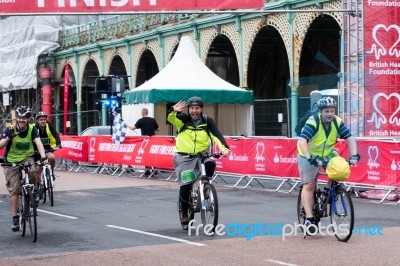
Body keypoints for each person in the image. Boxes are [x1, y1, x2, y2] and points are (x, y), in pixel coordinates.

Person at [297, 96, 360, 233]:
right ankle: (309, 218)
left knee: (340, 169)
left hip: (328, 152)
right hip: (308, 153)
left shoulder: (337, 122)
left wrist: (354, 155)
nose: (330, 114)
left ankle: (327, 190)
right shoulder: (314, 121)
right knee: (309, 185)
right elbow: (302, 141)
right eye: (327, 111)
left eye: (332, 111)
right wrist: (310, 157)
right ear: (321, 112)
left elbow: (349, 138)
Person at [167, 96, 230, 225]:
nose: (194, 111)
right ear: (188, 109)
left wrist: (224, 149)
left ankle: (206, 185)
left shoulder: (207, 121)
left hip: (202, 154)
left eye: (197, 108)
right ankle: (184, 213)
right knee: (186, 183)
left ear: (201, 109)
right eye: (192, 108)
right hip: (184, 157)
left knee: (211, 162)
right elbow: (171, 119)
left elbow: (217, 135)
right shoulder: (183, 119)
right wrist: (173, 111)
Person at [0, 106, 48, 231]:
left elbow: (38, 143)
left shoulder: (32, 129)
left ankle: (34, 190)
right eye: (20, 118)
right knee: (14, 189)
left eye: (24, 118)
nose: (22, 120)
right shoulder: (10, 128)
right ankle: (15, 218)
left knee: (33, 170)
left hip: (27, 158)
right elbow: (1, 146)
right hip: (11, 161)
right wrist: (8, 137)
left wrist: (43, 157)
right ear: (17, 118)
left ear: (28, 119)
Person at [127, 108, 159, 175]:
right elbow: (157, 129)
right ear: (147, 112)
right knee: (152, 154)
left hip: (145, 141)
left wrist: (127, 125)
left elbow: (133, 128)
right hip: (152, 140)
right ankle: (155, 168)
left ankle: (147, 169)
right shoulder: (153, 120)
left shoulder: (141, 120)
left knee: (146, 155)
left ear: (142, 113)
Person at [34, 111, 62, 179]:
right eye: (41, 120)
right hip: (37, 150)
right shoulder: (34, 128)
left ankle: (51, 172)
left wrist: (58, 144)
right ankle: (38, 184)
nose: (43, 121)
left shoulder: (49, 125)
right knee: (38, 169)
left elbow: (56, 134)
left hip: (48, 148)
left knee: (52, 158)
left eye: (44, 119)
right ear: (37, 121)